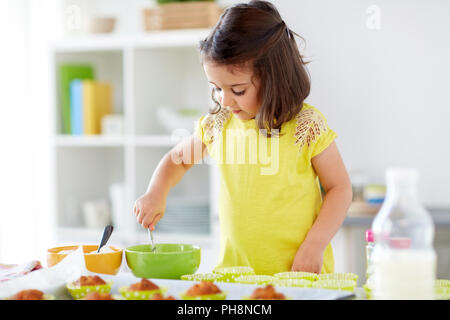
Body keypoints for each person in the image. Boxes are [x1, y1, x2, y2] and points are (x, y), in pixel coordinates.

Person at [133, 0, 352, 275]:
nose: (225, 100)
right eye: (216, 89)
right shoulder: (218, 125)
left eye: (237, 90)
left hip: (298, 275)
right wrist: (156, 193)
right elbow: (177, 161)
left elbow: (340, 188)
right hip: (236, 276)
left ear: (273, 78)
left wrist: (315, 245)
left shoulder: (305, 126)